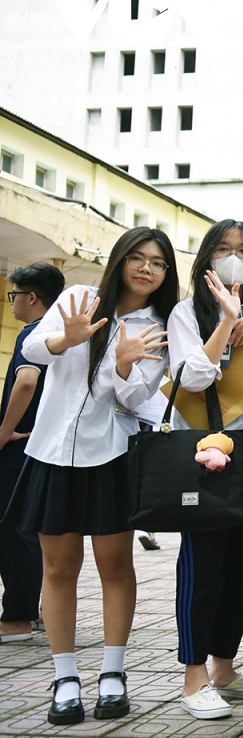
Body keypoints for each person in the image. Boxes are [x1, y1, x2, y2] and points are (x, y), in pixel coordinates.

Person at [10, 227, 177, 725]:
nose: (147, 269)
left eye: (158, 263)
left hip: (111, 456)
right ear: (120, 259)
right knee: (58, 568)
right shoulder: (80, 297)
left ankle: (112, 672)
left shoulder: (157, 326)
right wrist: (71, 336)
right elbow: (34, 350)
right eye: (138, 258)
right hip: (51, 453)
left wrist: (125, 367)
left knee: (115, 565)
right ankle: (64, 678)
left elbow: (134, 400)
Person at [166, 220, 243, 718]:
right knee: (204, 571)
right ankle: (193, 677)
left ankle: (224, 669)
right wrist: (225, 321)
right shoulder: (185, 312)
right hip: (206, 460)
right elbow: (190, 377)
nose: (234, 257)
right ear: (205, 259)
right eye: (223, 249)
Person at [0, 263, 64, 643]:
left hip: (19, 447)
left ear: (32, 297)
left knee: (14, 531)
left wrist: (3, 432)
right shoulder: (58, 335)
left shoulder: (34, 334)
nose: (12, 303)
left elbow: (25, 382)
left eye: (14, 296)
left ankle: (18, 617)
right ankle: (34, 609)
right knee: (28, 530)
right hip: (40, 445)